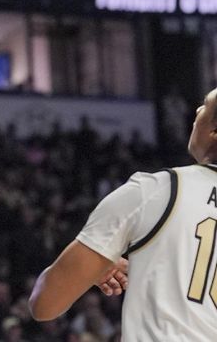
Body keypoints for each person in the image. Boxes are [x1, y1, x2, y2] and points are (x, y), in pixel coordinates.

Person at [29, 87, 217, 340]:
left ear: (214, 131)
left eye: (204, 105)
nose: (196, 110)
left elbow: (45, 304)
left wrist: (94, 267)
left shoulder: (157, 190)